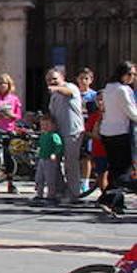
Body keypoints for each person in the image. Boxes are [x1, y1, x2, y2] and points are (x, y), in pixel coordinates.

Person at [98, 61, 137, 216]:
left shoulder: (108, 88)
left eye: (134, 75)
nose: (132, 78)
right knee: (124, 170)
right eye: (130, 74)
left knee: (115, 168)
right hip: (120, 133)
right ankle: (107, 198)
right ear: (122, 74)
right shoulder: (123, 89)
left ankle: (116, 202)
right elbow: (131, 112)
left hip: (107, 132)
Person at [45, 66, 85, 205]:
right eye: (49, 80)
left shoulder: (71, 87)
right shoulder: (53, 96)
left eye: (55, 79)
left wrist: (56, 88)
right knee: (53, 163)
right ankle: (60, 191)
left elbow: (67, 92)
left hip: (72, 132)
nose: (52, 82)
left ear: (62, 78)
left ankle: (74, 194)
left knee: (70, 163)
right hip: (58, 134)